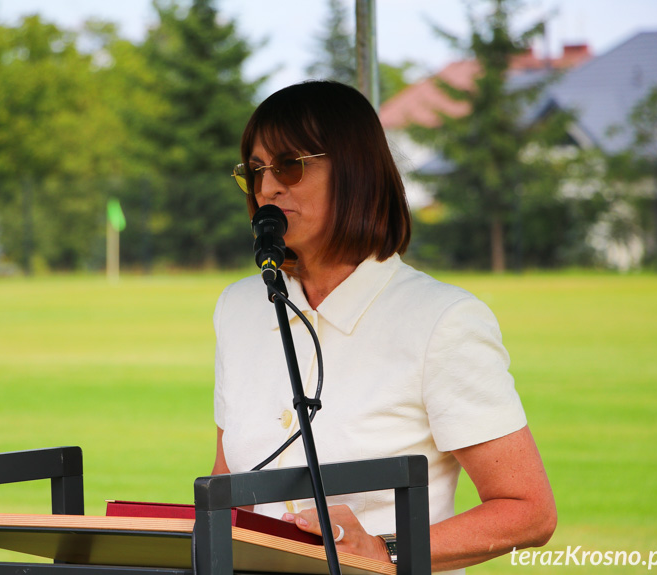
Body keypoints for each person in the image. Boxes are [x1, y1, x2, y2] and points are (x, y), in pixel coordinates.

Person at [211, 80, 556, 573]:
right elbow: (229, 487)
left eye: (290, 165)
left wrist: (386, 551)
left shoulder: (442, 320)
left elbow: (527, 512)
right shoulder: (238, 306)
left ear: (355, 172)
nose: (268, 187)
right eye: (256, 171)